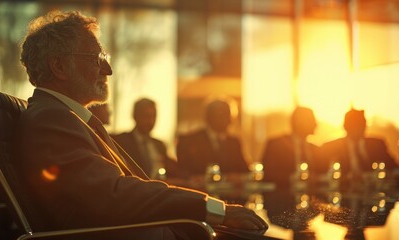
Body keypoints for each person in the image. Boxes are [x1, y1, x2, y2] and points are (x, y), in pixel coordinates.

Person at [14, 10, 267, 238]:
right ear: (59, 66)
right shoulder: (52, 119)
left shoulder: (62, 117)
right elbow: (114, 194)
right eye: (96, 57)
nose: (108, 69)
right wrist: (215, 209)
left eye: (105, 56)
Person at [176, 97, 249, 178]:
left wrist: (237, 177)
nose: (227, 119)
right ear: (208, 117)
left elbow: (245, 171)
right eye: (221, 114)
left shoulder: (234, 143)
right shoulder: (189, 142)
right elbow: (182, 171)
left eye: (228, 115)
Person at [112, 98, 183, 179]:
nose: (151, 121)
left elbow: (172, 170)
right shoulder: (122, 141)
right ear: (135, 116)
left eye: (154, 116)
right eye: (146, 116)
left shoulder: (159, 145)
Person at [321, 109, 399, 181]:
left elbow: (395, 168)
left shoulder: (377, 145)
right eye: (355, 125)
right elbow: (322, 174)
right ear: (345, 127)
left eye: (362, 124)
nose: (359, 128)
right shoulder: (332, 147)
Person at [260, 106, 323, 189]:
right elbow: (267, 174)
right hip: (282, 197)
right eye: (312, 120)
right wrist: (293, 178)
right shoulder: (276, 145)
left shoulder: (316, 149)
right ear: (299, 122)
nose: (316, 124)